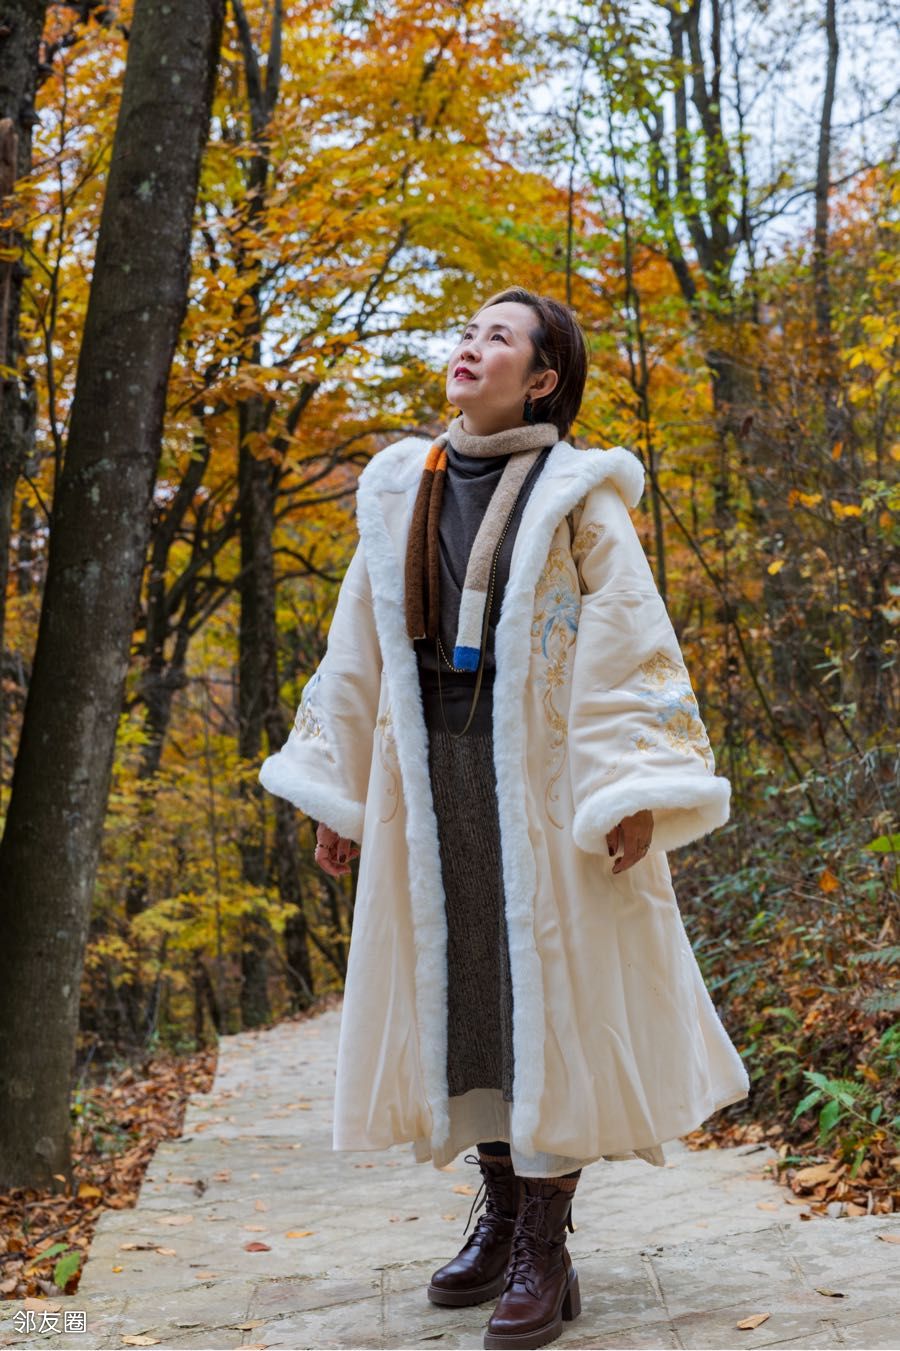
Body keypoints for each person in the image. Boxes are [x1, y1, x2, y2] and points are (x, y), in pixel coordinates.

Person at [258, 286, 750, 1350]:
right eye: (467, 331)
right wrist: (340, 794)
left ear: (541, 379)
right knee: (467, 991)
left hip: (545, 778)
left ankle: (545, 1241)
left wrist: (631, 788)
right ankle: (498, 1211)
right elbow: (357, 649)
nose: (471, 346)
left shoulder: (578, 493)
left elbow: (629, 639)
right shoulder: (399, 486)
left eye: (498, 337)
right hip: (428, 781)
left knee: (549, 998)